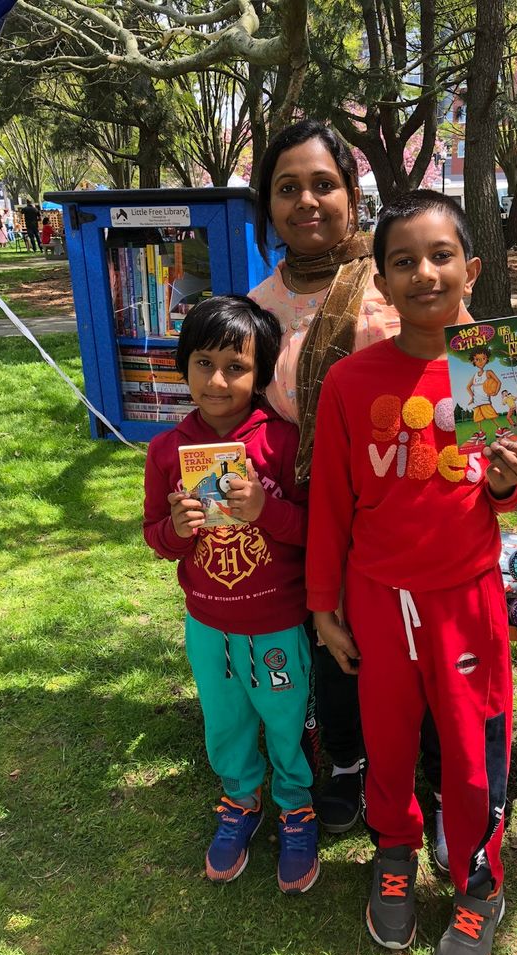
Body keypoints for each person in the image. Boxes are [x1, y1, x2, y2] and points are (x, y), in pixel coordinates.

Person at [307, 190, 517, 955]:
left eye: (441, 257)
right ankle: (396, 851)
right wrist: (322, 605)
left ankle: (480, 882)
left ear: (471, 270)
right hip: (374, 599)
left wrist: (509, 482)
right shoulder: (350, 382)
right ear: (381, 280)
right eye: (403, 261)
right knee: (389, 742)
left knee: (473, 758)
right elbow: (331, 506)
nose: (424, 274)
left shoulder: (491, 364)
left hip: (466, 600)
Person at [248, 119, 446, 854]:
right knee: (330, 640)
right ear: (267, 205)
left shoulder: (401, 273)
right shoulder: (258, 306)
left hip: (416, 504)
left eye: (322, 183)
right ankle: (347, 758)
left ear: (351, 193)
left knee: (418, 644)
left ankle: (431, 765)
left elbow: (483, 372)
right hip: (307, 511)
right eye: (287, 187)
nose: (307, 201)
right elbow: (239, 412)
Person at [143, 295, 320, 894]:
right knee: (225, 721)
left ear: (262, 373)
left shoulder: (283, 442)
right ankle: (240, 800)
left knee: (285, 717)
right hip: (208, 627)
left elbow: (316, 531)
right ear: (182, 365)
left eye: (236, 366)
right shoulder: (167, 452)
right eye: (202, 362)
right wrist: (177, 529)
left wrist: (266, 510)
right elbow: (156, 540)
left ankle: (296, 806)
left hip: (275, 624)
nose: (217, 380)